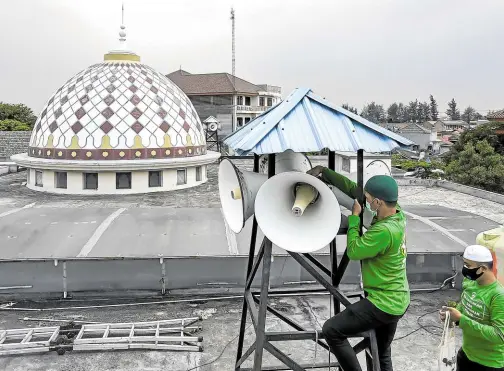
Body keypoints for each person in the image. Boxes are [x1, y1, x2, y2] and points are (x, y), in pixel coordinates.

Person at [307, 165, 409, 371]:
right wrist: (325, 173)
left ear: (378, 202)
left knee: (332, 330)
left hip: (383, 303)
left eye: (369, 199)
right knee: (381, 353)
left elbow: (354, 251)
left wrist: (354, 218)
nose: (366, 202)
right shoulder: (397, 214)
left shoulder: (384, 231)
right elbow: (355, 189)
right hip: (398, 298)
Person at [440, 244, 504, 371]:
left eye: (468, 265)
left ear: (483, 269)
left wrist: (461, 319)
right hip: (466, 354)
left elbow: (499, 335)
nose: (464, 268)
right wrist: (451, 317)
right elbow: (463, 308)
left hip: (489, 363)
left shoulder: (498, 296)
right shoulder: (470, 283)